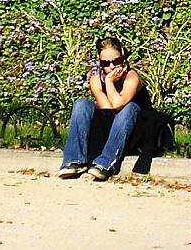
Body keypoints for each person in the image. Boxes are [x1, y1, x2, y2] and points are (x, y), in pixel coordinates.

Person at [58, 37, 151, 181]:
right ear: (99, 62)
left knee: (129, 107)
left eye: (116, 61)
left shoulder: (132, 77)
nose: (112, 66)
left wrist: (109, 81)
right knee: (81, 104)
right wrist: (108, 81)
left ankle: (107, 163)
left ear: (123, 57)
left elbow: (118, 105)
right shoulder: (96, 80)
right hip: (109, 126)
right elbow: (107, 113)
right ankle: (74, 160)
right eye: (105, 63)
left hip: (134, 128)